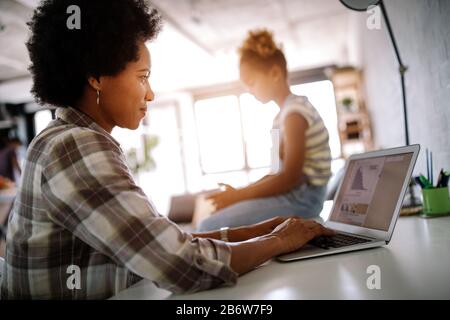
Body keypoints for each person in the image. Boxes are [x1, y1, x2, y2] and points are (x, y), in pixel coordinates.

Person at [0, 0, 334, 300]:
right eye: (143, 77)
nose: (151, 94)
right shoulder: (75, 146)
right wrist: (280, 241)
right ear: (97, 77)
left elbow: (158, 242)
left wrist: (258, 230)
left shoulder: (64, 138)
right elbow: (181, 265)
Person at [199, 30, 332, 231]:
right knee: (214, 221)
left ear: (275, 73)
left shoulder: (295, 113)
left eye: (251, 83)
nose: (249, 90)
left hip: (304, 199)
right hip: (292, 194)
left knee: (209, 226)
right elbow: (275, 173)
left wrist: (239, 196)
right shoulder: (280, 118)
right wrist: (239, 193)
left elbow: (289, 178)